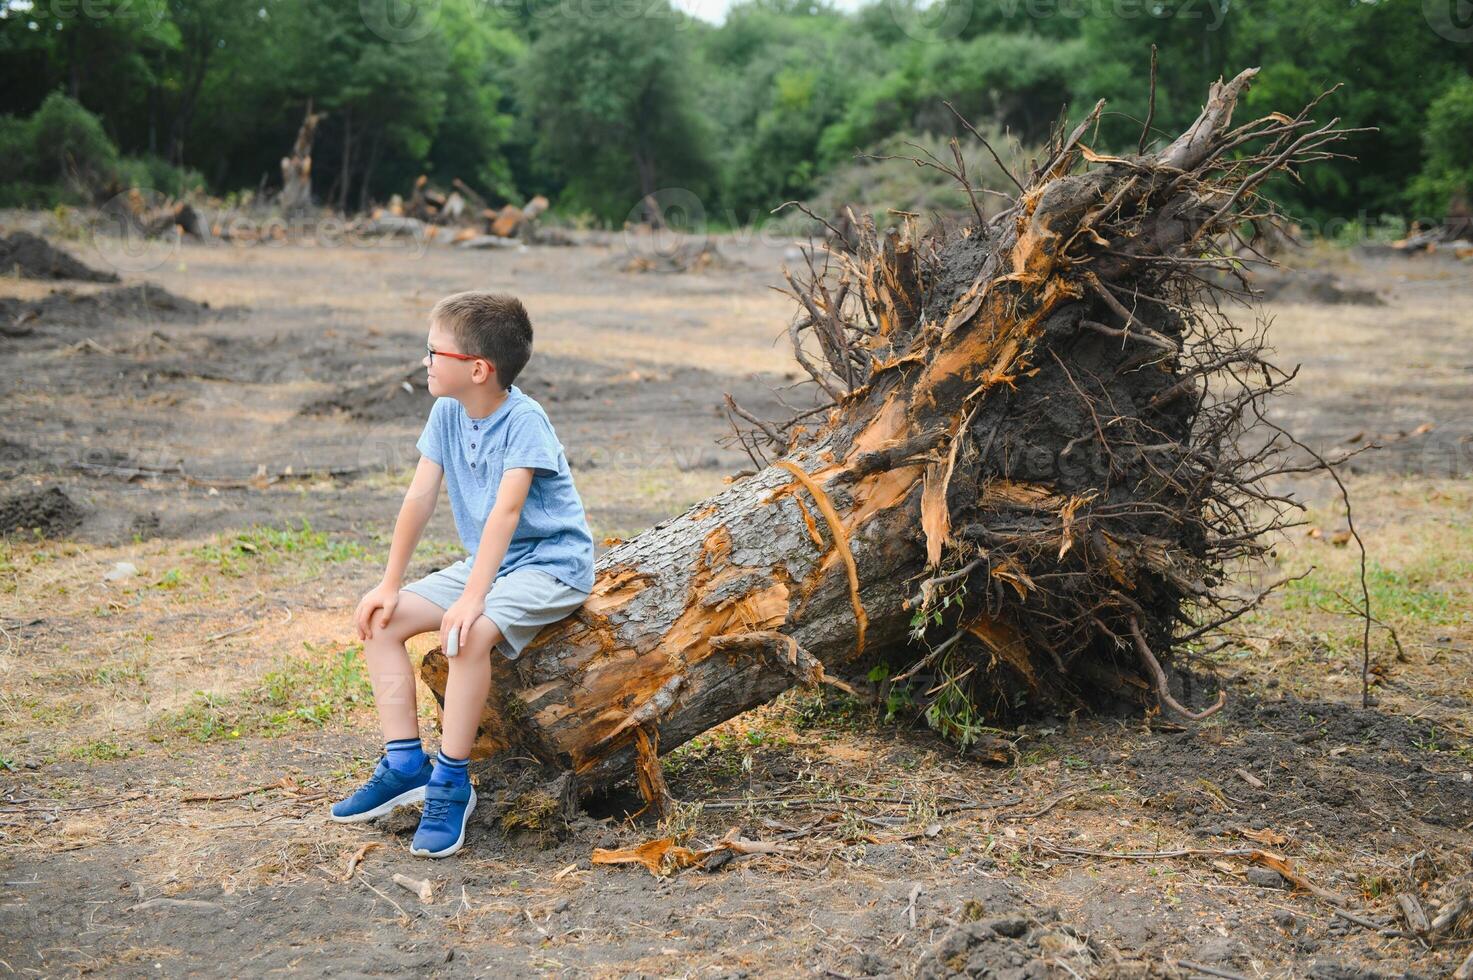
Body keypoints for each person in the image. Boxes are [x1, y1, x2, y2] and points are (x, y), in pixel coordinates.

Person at [329, 291, 595, 858]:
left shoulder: (524, 420)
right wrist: (389, 582)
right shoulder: (447, 412)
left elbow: (505, 512)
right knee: (382, 622)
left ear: (478, 369)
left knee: (464, 634)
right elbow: (421, 494)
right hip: (489, 566)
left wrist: (475, 598)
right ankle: (405, 765)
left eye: (434, 352)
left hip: (550, 565)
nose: (425, 362)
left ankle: (451, 782)